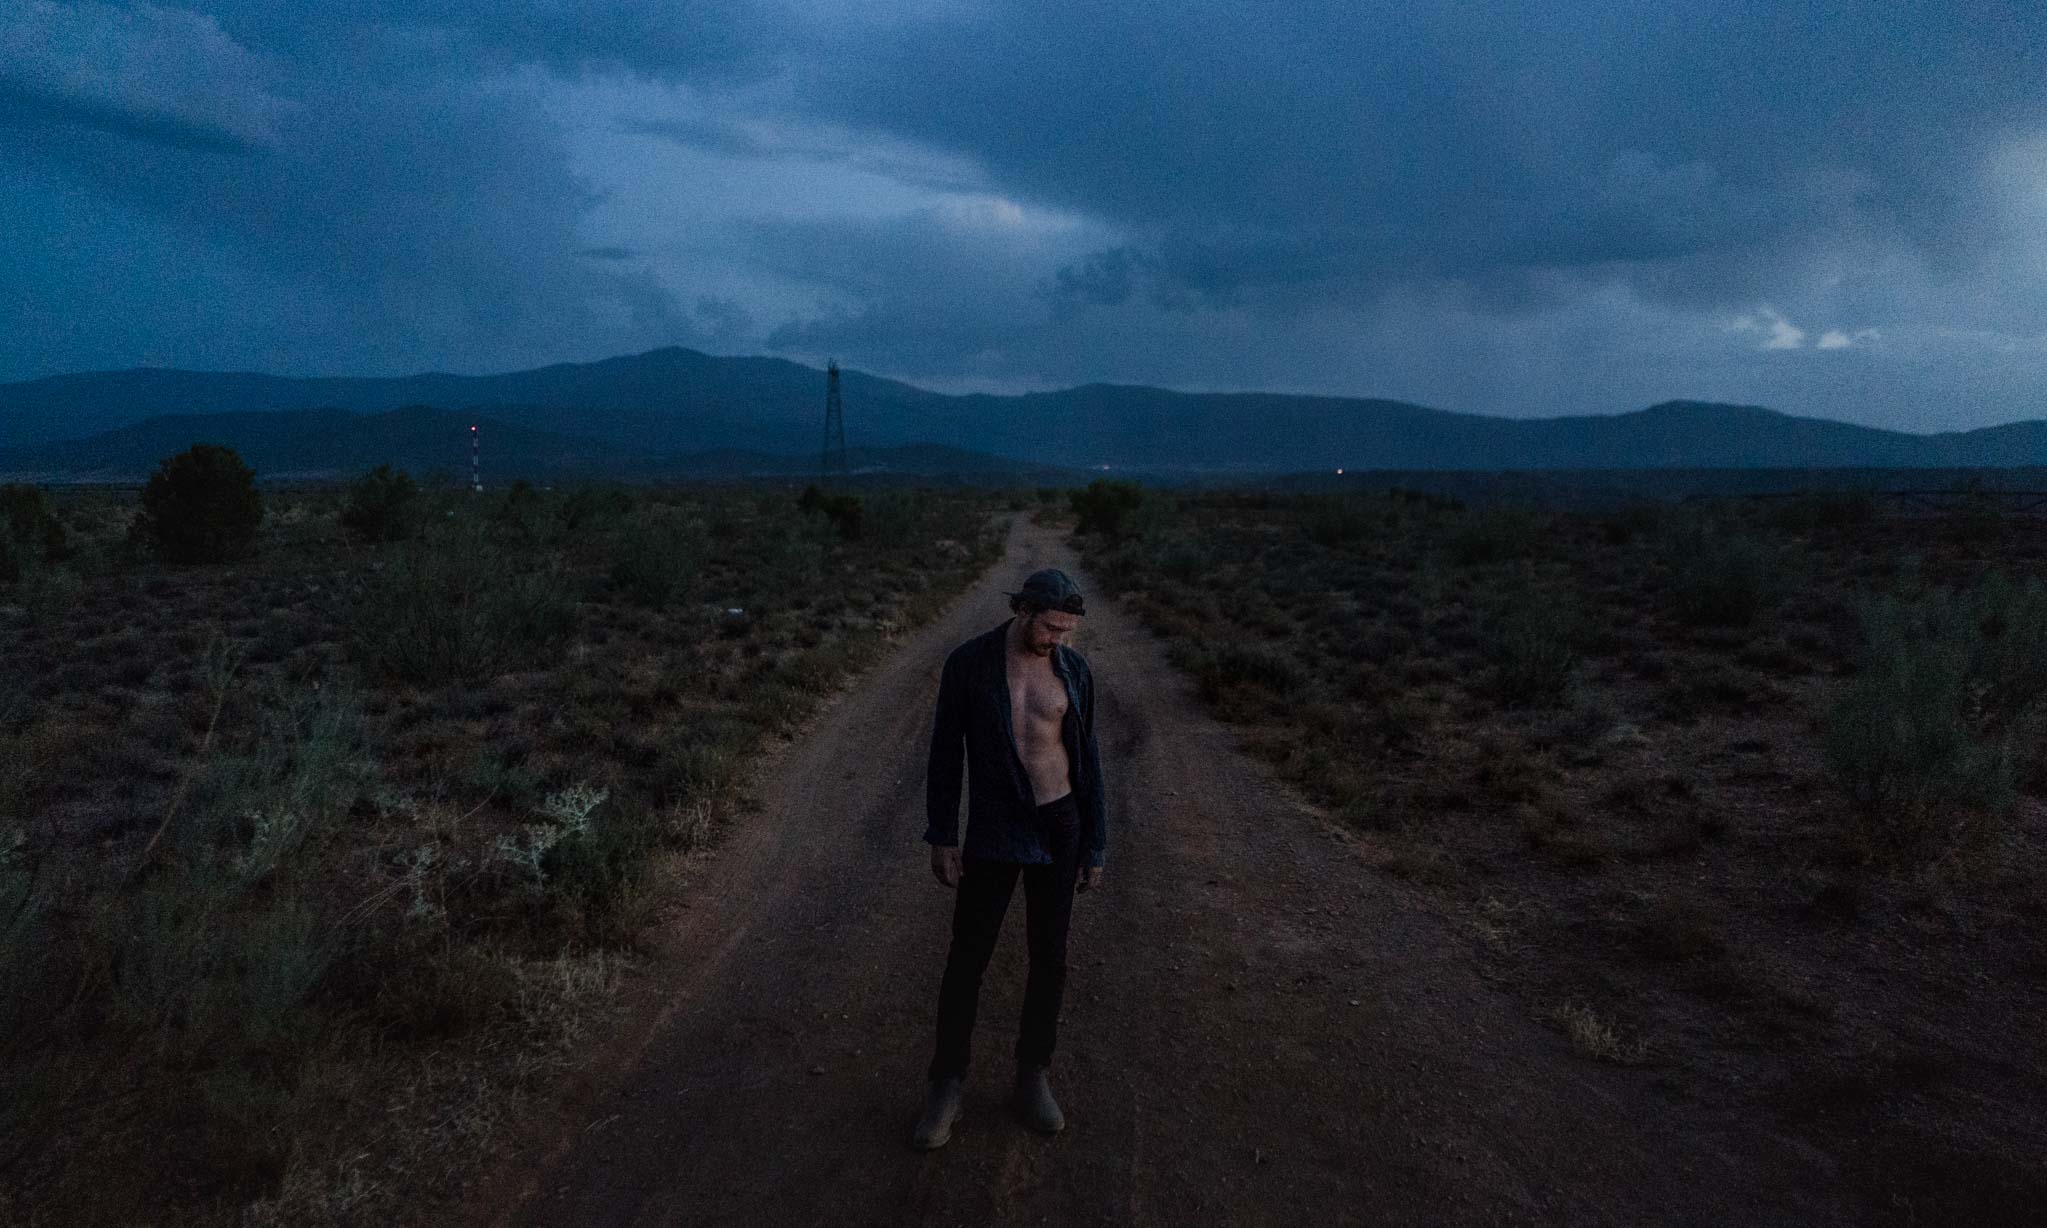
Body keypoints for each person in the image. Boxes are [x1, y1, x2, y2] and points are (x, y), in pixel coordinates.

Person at [912, 567, 1107, 1150]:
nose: (1058, 640)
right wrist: (942, 834)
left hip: (1060, 823)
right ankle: (946, 1086)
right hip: (994, 828)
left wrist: (1095, 840)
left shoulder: (1073, 670)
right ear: (1023, 612)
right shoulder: (968, 665)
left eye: (1066, 631)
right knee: (967, 958)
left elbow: (1088, 759)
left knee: (1050, 957)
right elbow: (945, 754)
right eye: (1050, 628)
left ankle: (1033, 1076)